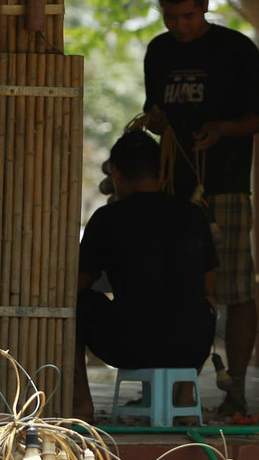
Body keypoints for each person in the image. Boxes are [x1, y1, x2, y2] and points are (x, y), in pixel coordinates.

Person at [142, 0, 259, 419]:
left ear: (205, 7)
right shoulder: (157, 52)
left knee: (236, 290)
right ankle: (175, 386)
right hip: (172, 190)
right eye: (171, 16)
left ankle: (237, 388)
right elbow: (153, 114)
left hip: (226, 188)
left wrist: (220, 130)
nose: (180, 25)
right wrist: (157, 123)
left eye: (188, 15)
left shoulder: (236, 50)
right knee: (174, 288)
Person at [73, 131, 218, 420]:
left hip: (132, 345)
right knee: (205, 307)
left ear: (116, 172)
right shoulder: (193, 215)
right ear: (161, 170)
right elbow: (210, 286)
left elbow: (79, 283)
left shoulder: (108, 218)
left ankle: (81, 404)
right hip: (189, 346)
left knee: (79, 304)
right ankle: (185, 396)